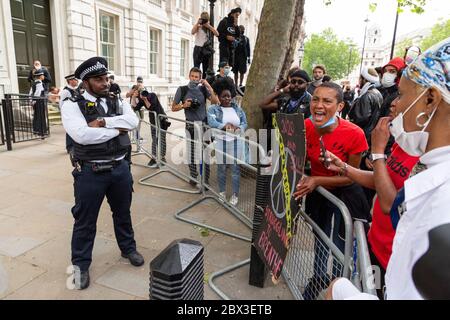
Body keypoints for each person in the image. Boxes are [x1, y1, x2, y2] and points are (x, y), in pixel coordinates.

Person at [326, 37, 450, 300]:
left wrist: (345, 296)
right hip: (379, 249)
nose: (395, 105)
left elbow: (390, 201)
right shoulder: (422, 152)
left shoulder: (443, 204)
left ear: (430, 100)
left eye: (402, 95)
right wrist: (346, 168)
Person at [61, 57, 143, 290]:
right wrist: (118, 129)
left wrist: (103, 123)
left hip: (120, 169)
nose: (105, 83)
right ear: (85, 82)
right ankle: (80, 265)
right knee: (85, 221)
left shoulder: (116, 99)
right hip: (90, 172)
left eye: (106, 78)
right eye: (99, 79)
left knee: (122, 213)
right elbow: (82, 136)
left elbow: (133, 122)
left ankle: (128, 249)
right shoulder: (71, 104)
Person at [293, 82, 371, 300]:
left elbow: (352, 176)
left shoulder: (355, 134)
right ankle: (318, 279)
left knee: (339, 246)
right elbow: (297, 159)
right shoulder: (305, 126)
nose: (319, 105)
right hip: (318, 196)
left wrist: (317, 179)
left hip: (344, 198)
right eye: (315, 99)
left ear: (340, 106)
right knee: (320, 239)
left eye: (327, 101)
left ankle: (338, 287)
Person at [172, 67, 219, 185]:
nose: (194, 79)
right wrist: (184, 105)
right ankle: (193, 177)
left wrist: (208, 86)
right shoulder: (182, 90)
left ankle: (205, 180)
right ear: (189, 76)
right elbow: (173, 107)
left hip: (203, 124)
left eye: (197, 77)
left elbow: (215, 101)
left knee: (205, 153)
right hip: (190, 125)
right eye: (192, 76)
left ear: (200, 78)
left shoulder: (203, 89)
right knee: (191, 153)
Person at [207, 78, 248, 205]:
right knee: (221, 168)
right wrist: (226, 126)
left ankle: (235, 195)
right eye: (224, 96)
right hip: (221, 142)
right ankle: (222, 192)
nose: (227, 99)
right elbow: (212, 122)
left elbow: (244, 123)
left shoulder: (238, 110)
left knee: (235, 169)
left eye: (229, 96)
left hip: (236, 143)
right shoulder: (213, 109)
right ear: (218, 96)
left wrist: (239, 128)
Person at [139, 89, 169, 168]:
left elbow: (151, 107)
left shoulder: (153, 95)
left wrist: (145, 100)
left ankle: (162, 158)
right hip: (153, 121)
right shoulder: (141, 99)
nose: (144, 95)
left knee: (162, 139)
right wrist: (135, 97)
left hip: (162, 119)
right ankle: (154, 158)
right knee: (154, 139)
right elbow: (135, 107)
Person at [192, 11, 219, 79]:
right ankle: (196, 82)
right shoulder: (198, 26)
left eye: (204, 19)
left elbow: (217, 34)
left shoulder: (209, 27)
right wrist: (197, 23)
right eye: (202, 18)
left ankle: (203, 83)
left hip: (206, 49)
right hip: (198, 48)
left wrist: (209, 26)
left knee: (205, 69)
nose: (203, 20)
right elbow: (192, 32)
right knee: (196, 68)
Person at [29, 69, 48, 137]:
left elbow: (31, 93)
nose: (43, 76)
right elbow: (37, 93)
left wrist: (31, 101)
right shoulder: (40, 83)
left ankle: (36, 130)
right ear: (40, 76)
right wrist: (34, 101)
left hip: (36, 102)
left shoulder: (34, 83)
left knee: (36, 116)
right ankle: (42, 131)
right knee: (41, 116)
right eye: (42, 75)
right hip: (39, 101)